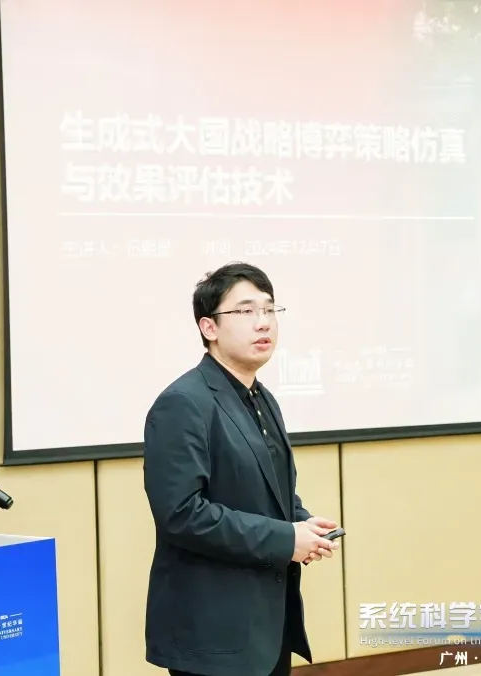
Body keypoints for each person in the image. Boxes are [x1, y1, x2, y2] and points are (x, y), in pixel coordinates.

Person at [142, 262, 341, 676]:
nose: (263, 322)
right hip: (213, 634)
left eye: (269, 310)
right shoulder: (183, 403)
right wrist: (284, 538)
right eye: (246, 311)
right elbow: (181, 515)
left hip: (266, 627)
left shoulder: (261, 397)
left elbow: (269, 489)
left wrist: (301, 523)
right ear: (209, 327)